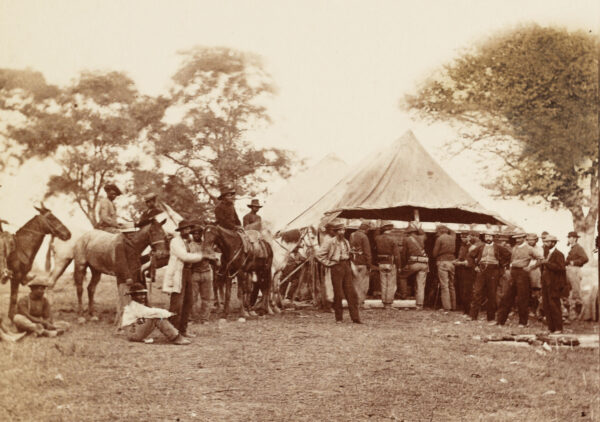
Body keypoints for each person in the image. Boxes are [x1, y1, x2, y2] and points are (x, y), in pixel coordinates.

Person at [163, 219, 210, 337]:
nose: (187, 231)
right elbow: (184, 256)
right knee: (177, 304)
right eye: (184, 229)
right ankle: (173, 332)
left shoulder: (188, 242)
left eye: (188, 229)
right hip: (179, 273)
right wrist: (203, 255)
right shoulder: (175, 241)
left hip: (188, 272)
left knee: (188, 302)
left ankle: (183, 330)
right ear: (180, 231)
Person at [316, 220, 361, 324]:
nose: (342, 232)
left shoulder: (346, 241)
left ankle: (355, 318)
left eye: (343, 230)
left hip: (346, 266)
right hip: (336, 267)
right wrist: (329, 263)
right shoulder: (330, 242)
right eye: (339, 230)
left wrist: (352, 254)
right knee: (338, 293)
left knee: (351, 293)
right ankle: (339, 318)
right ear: (335, 232)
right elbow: (319, 255)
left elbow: (347, 253)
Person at [496, 232, 544, 327]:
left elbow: (541, 259)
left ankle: (523, 322)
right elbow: (512, 260)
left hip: (522, 274)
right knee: (507, 297)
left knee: (522, 298)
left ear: (524, 238)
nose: (517, 240)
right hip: (513, 273)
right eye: (516, 238)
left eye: (519, 238)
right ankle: (500, 321)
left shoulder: (529, 249)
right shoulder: (515, 248)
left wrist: (531, 267)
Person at [121, 283, 190, 345]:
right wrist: (169, 314)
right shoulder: (134, 306)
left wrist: (166, 314)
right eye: (140, 295)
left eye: (143, 294)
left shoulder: (138, 305)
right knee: (156, 317)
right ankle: (175, 337)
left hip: (134, 329)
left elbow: (149, 312)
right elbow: (151, 312)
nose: (143, 297)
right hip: (132, 332)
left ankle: (175, 335)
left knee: (158, 316)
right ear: (133, 296)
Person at [469, 231, 511, 323]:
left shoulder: (498, 247)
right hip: (482, 269)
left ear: (493, 237)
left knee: (491, 294)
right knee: (477, 292)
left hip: (494, 271)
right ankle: (473, 316)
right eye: (486, 236)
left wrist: (502, 264)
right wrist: (475, 266)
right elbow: (470, 256)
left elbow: (508, 255)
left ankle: (490, 318)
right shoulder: (480, 247)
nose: (488, 238)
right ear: (484, 237)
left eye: (490, 236)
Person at [540, 235, 570, 333]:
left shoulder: (559, 254)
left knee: (554, 305)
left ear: (553, 243)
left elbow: (561, 268)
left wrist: (546, 263)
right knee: (546, 305)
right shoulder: (547, 254)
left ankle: (558, 328)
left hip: (554, 284)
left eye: (548, 242)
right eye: (545, 242)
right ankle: (551, 328)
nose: (545, 244)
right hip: (546, 283)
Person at [188, 221, 215, 324]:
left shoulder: (207, 245)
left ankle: (204, 318)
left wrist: (208, 257)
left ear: (201, 234)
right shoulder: (189, 246)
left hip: (206, 272)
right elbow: (189, 259)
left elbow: (213, 257)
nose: (197, 235)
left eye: (199, 233)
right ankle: (192, 318)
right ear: (192, 235)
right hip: (194, 273)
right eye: (194, 233)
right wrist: (202, 256)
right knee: (193, 297)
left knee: (206, 297)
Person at [398, 225, 428, 309]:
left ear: (409, 232)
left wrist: (403, 265)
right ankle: (419, 305)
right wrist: (419, 227)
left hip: (413, 263)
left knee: (402, 276)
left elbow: (404, 253)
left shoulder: (406, 239)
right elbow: (424, 234)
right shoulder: (422, 237)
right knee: (420, 284)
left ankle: (404, 294)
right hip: (424, 264)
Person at [374, 221, 400, 309]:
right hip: (390, 263)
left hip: (381, 263)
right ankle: (388, 303)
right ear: (390, 229)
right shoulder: (393, 239)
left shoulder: (377, 238)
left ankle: (384, 303)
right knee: (391, 284)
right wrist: (399, 266)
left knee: (383, 283)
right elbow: (397, 254)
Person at [565, 231, 589, 320]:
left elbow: (585, 258)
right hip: (569, 270)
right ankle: (571, 313)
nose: (568, 239)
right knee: (569, 291)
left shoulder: (578, 248)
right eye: (568, 237)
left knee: (576, 292)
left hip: (575, 270)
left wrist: (574, 262)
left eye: (570, 237)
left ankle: (578, 314)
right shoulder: (572, 248)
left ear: (575, 239)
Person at [432, 224, 457, 311]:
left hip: (442, 261)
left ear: (439, 231)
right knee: (451, 285)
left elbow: (434, 254)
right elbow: (453, 231)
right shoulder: (453, 237)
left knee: (444, 286)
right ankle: (453, 306)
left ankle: (446, 307)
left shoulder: (439, 239)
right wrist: (445, 227)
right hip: (452, 262)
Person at [454, 229, 478, 315]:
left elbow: (470, 262)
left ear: (469, 237)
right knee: (462, 290)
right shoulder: (462, 246)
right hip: (461, 270)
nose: (463, 238)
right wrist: (456, 260)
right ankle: (465, 310)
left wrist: (459, 263)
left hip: (468, 271)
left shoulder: (472, 247)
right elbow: (461, 257)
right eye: (461, 237)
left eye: (465, 237)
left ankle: (468, 311)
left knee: (467, 291)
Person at [350, 222, 372, 307]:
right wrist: (369, 264)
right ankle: (360, 302)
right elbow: (367, 252)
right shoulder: (364, 237)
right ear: (366, 229)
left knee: (355, 283)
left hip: (353, 262)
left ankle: (354, 302)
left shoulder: (352, 235)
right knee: (363, 284)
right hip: (362, 262)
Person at [525, 233, 543, 319]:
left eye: (532, 240)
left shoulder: (539, 249)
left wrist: (532, 267)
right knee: (525, 290)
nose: (530, 241)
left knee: (535, 291)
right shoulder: (525, 247)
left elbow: (540, 260)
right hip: (525, 270)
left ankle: (534, 310)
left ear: (536, 240)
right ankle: (526, 309)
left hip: (534, 270)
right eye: (529, 240)